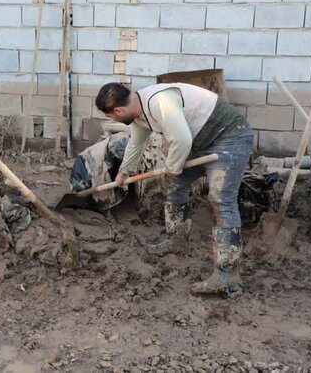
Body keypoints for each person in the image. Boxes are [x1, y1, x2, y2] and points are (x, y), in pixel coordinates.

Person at [95, 82, 253, 296]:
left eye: (111, 117)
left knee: (221, 200)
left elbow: (181, 139)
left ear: (118, 111)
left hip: (230, 138)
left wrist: (172, 168)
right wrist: (125, 171)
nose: (112, 120)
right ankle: (177, 240)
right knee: (175, 185)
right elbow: (137, 143)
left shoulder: (159, 102)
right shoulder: (139, 112)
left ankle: (227, 275)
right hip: (201, 142)